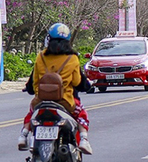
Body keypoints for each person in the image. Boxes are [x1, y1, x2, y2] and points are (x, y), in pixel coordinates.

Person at [18, 23, 92, 155]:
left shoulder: (40, 56)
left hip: (41, 100)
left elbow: (34, 81)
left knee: (31, 113)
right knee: (81, 114)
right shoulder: (73, 58)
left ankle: (23, 135)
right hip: (65, 102)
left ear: (49, 39)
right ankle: (84, 140)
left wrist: (34, 92)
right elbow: (76, 81)